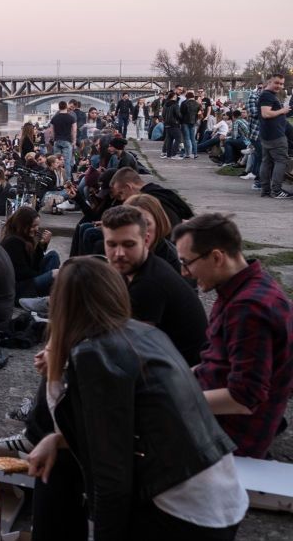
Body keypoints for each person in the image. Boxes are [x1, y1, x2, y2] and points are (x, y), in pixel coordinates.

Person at [27, 257, 247, 541]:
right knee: (59, 464)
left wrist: (56, 357)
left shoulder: (95, 355)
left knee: (58, 477)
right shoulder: (143, 332)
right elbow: (114, 425)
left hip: (185, 517)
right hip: (219, 500)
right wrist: (55, 440)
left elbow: (111, 475)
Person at [174, 213, 293, 458]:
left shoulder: (248, 309)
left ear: (217, 257)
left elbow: (243, 397)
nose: (184, 272)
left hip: (228, 437)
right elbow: (220, 362)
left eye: (187, 262)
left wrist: (177, 401)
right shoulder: (245, 286)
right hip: (216, 418)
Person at [101, 206, 207, 364]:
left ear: (146, 240)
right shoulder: (138, 268)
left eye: (128, 244)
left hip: (182, 375)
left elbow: (132, 350)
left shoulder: (149, 283)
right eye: (112, 244)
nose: (119, 253)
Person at [1, 206, 59, 299]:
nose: (36, 229)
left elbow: (35, 264)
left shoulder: (23, 237)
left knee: (53, 255)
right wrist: (46, 276)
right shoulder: (12, 242)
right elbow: (22, 273)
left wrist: (41, 245)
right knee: (55, 273)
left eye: (37, 225)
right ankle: (49, 293)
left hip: (28, 281)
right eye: (33, 226)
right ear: (23, 225)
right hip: (20, 289)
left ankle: (50, 291)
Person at [124, 193, 183, 273]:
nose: (137, 230)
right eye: (130, 223)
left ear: (159, 223)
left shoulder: (173, 262)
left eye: (145, 223)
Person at [256, 73, 291, 198]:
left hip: (267, 135)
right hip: (275, 135)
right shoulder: (267, 95)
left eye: (281, 83)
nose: (279, 86)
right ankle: (276, 190)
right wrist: (283, 110)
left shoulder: (266, 95)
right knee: (281, 161)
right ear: (269, 82)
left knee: (267, 162)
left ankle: (265, 190)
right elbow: (266, 114)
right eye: (276, 83)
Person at [50, 100, 77, 179]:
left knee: (56, 162)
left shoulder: (54, 118)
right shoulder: (71, 118)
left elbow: (52, 132)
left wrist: (54, 139)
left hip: (57, 141)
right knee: (67, 162)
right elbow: (74, 131)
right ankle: (67, 181)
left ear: (59, 107)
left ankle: (57, 179)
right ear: (66, 107)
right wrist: (74, 141)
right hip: (67, 141)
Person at [180, 90, 201, 159]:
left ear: (187, 97)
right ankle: (195, 154)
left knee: (186, 138)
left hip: (185, 122)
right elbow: (199, 113)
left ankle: (188, 154)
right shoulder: (197, 104)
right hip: (193, 122)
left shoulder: (184, 103)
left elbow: (181, 113)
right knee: (193, 138)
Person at [162, 92, 182, 159]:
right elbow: (178, 114)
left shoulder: (165, 104)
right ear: (173, 97)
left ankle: (168, 155)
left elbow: (163, 115)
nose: (176, 98)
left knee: (169, 140)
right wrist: (181, 119)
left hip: (167, 124)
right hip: (174, 124)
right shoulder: (175, 104)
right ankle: (174, 154)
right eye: (176, 96)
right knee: (178, 139)